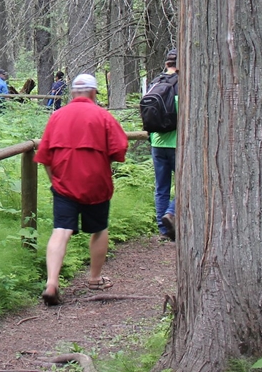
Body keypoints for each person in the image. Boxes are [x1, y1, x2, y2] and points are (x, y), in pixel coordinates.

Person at [34, 74, 129, 304]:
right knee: (99, 229)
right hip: (96, 184)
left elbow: (44, 156)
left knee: (61, 230)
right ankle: (95, 278)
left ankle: (52, 283)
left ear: (73, 93)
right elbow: (120, 151)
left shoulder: (57, 116)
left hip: (63, 183)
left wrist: (54, 181)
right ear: (94, 93)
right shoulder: (103, 117)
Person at [150, 50, 179, 240]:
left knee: (161, 187)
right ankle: (171, 212)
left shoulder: (154, 83)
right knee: (185, 184)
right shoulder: (182, 85)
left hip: (156, 142)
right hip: (178, 143)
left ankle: (163, 230)